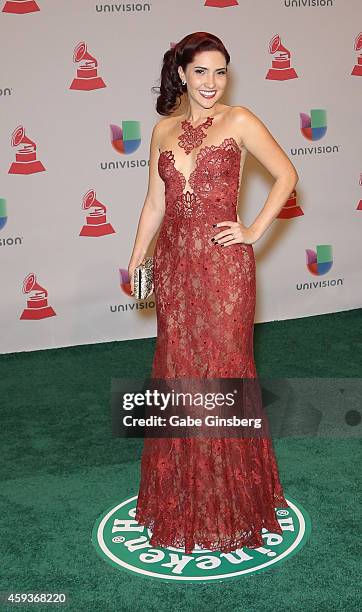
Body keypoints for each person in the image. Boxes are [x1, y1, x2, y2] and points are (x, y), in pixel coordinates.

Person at [128, 32, 298, 554]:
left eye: (220, 71)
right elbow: (155, 202)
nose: (211, 83)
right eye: (201, 71)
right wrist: (138, 257)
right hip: (176, 266)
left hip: (224, 269)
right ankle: (181, 501)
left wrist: (251, 231)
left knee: (222, 373)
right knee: (179, 373)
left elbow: (287, 175)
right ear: (181, 73)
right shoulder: (162, 130)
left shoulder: (240, 119)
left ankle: (234, 505)